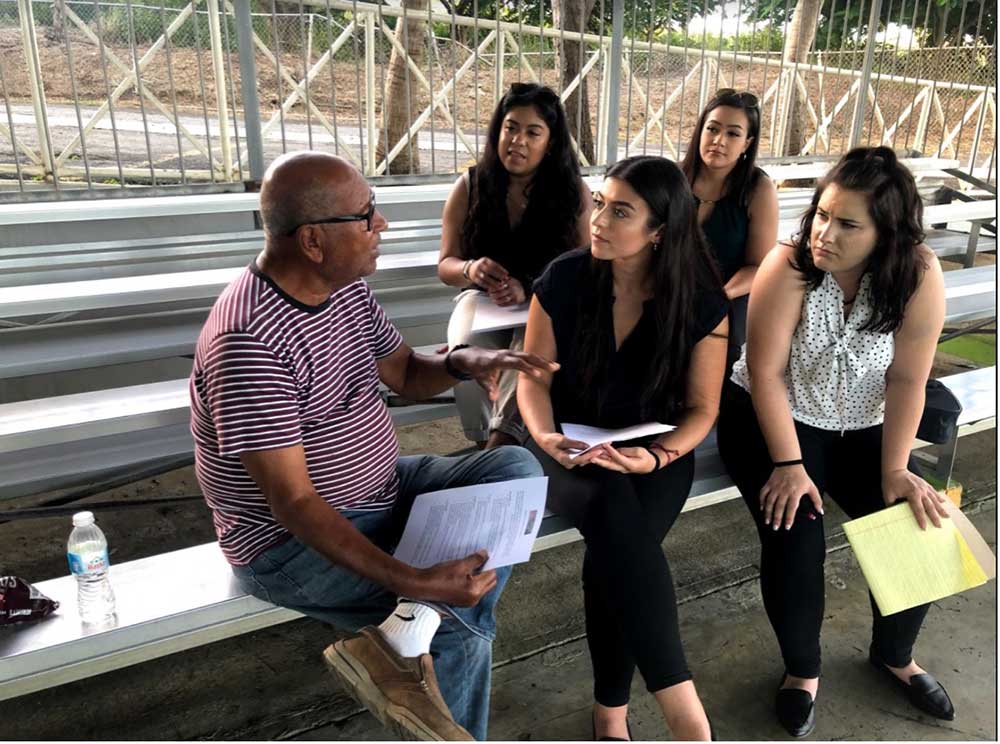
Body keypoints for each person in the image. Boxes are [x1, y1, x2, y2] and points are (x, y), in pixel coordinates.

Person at [188, 151, 559, 741]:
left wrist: (466, 361)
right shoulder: (248, 341)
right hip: (287, 546)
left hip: (380, 490)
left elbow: (408, 372)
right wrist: (411, 579)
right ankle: (415, 636)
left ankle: (397, 638)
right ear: (313, 240)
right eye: (366, 215)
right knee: (458, 622)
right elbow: (296, 504)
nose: (380, 225)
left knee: (514, 467)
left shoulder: (343, 289)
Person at [716, 147, 954, 737]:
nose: (825, 232)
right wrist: (790, 463)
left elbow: (907, 380)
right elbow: (766, 373)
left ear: (888, 232)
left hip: (863, 425)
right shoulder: (791, 265)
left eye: (848, 224)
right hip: (774, 419)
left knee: (920, 527)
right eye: (823, 214)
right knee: (796, 536)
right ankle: (803, 671)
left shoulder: (918, 275)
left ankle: (894, 656)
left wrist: (896, 469)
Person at [517, 155, 729, 741]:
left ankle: (610, 710)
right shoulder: (563, 278)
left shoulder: (701, 300)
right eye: (600, 202)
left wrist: (659, 456)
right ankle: (684, 714)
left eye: (621, 211)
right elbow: (533, 380)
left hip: (654, 447)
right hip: (562, 441)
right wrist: (544, 436)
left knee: (616, 555)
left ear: (659, 231)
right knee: (614, 514)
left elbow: (702, 409)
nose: (599, 219)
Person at [438, 82, 591, 450]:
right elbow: (446, 265)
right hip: (481, 303)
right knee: (466, 347)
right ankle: (483, 443)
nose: (517, 141)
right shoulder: (471, 185)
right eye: (511, 128)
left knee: (529, 350)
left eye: (532, 132)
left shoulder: (572, 193)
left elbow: (587, 268)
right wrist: (471, 269)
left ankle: (500, 444)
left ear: (550, 142)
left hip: (546, 305)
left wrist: (529, 285)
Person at [681, 88, 778, 362]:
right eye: (712, 129)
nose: (719, 140)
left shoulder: (758, 190)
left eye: (733, 133)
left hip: (725, 303)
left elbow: (758, 266)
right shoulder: (673, 180)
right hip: (668, 296)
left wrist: (719, 296)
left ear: (747, 143)